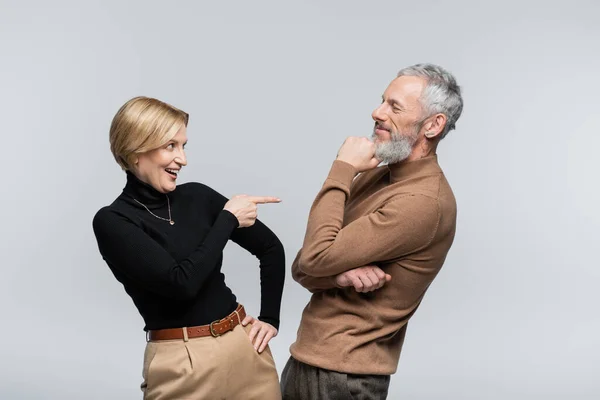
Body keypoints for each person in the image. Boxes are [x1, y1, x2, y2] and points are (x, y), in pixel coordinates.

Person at [280, 63, 464, 399]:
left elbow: (315, 257)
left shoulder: (422, 202)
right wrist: (338, 276)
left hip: (345, 378)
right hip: (309, 361)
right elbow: (303, 266)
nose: (376, 112)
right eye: (382, 101)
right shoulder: (377, 177)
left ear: (434, 125)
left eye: (394, 106)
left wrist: (343, 169)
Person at [92, 96, 285, 399]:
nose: (182, 159)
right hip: (182, 363)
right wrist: (228, 220)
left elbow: (271, 248)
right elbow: (181, 284)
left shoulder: (198, 196)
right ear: (135, 150)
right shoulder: (113, 221)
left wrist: (270, 319)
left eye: (183, 146)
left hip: (245, 349)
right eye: (170, 146)